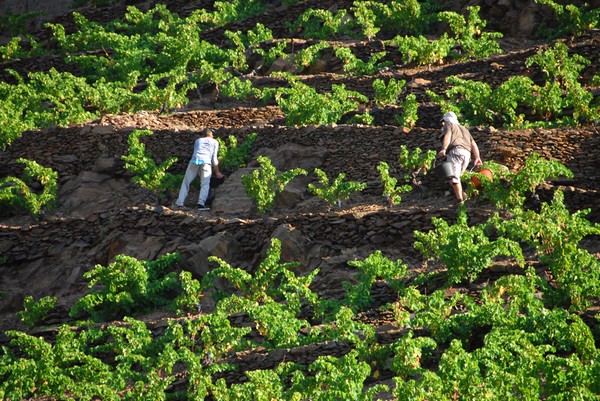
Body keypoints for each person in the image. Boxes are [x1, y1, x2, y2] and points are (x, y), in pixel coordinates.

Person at [437, 111, 482, 205]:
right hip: (467, 154)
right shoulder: (465, 129)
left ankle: (460, 201)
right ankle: (462, 194)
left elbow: (448, 136)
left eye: (444, 122)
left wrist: (444, 149)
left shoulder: (449, 125)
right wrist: (477, 157)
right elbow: (473, 144)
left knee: (454, 177)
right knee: (452, 175)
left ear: (446, 120)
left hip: (456, 152)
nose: (443, 124)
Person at [175, 128, 223, 210]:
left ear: (204, 135)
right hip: (206, 163)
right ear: (211, 135)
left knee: (186, 182)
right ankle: (200, 204)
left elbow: (196, 152)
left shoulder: (198, 140)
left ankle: (180, 203)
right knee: (205, 184)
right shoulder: (215, 142)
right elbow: (214, 158)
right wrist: (217, 172)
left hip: (194, 161)